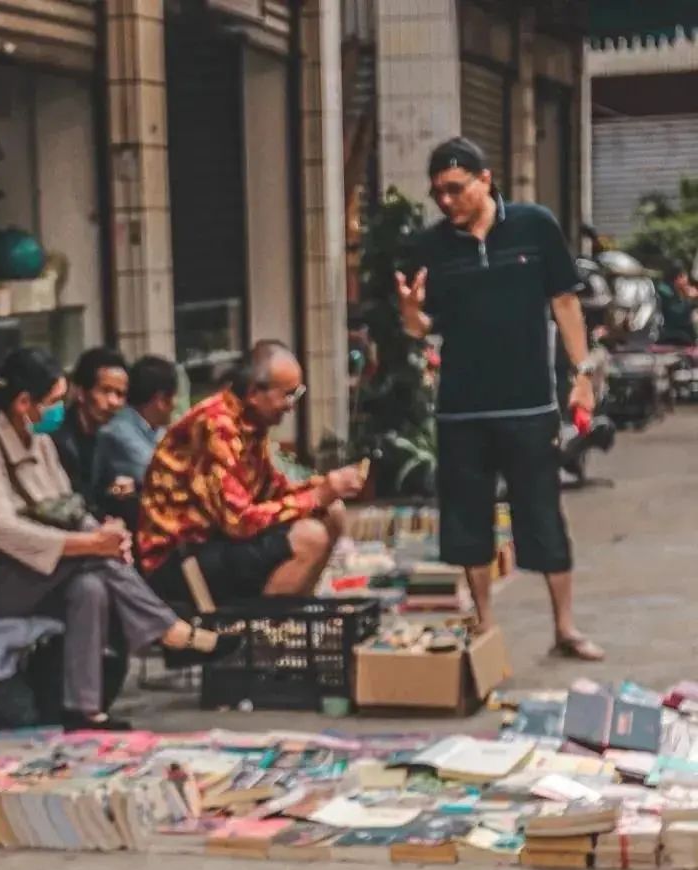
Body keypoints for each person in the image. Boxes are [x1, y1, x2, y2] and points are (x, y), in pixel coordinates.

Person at [0, 348, 239, 731]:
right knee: (90, 558)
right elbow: (3, 530)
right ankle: (169, 630)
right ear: (24, 402)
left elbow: (69, 508)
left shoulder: (39, 441)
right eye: (53, 401)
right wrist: (91, 545)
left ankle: (84, 710)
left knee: (90, 586)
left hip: (27, 572)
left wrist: (105, 536)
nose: (59, 409)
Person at [396, 136, 603, 661]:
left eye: (456, 188)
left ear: (485, 179)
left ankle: (565, 627)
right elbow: (423, 328)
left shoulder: (534, 226)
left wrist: (582, 374)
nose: (447, 201)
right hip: (461, 410)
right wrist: (410, 313)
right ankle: (485, 623)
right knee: (468, 522)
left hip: (529, 405)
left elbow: (564, 301)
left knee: (543, 515)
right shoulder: (431, 247)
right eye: (438, 193)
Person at [137, 341, 366, 606]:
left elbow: (271, 489)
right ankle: (270, 626)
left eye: (297, 394)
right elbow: (239, 521)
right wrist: (316, 496)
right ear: (255, 393)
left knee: (332, 512)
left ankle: (292, 610)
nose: (291, 406)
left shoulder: (252, 422)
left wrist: (325, 488)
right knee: (309, 537)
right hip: (178, 558)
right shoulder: (216, 425)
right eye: (287, 395)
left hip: (215, 542)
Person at [92, 354, 179, 526]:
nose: (176, 405)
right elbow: (160, 473)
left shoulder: (158, 429)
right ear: (161, 400)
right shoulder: (117, 433)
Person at [53, 347, 129, 503]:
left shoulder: (107, 438)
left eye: (120, 394)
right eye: (105, 391)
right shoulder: (58, 440)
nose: (113, 402)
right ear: (81, 392)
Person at [656, 263, 698, 347]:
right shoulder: (664, 290)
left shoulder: (672, 289)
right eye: (685, 276)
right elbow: (676, 313)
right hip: (669, 333)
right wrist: (689, 301)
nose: (687, 280)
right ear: (679, 277)